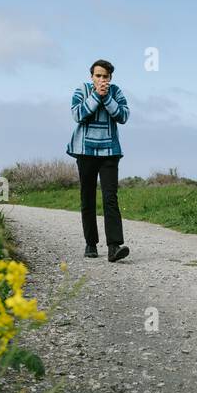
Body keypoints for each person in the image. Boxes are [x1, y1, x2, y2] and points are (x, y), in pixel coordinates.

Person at [66, 59, 130, 262]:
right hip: (85, 151)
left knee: (110, 198)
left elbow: (123, 116)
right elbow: (77, 115)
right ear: (91, 76)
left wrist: (107, 98)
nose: (101, 79)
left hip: (110, 152)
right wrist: (96, 96)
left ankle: (114, 247)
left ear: (110, 78)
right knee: (88, 197)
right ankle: (90, 243)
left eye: (105, 76)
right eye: (98, 76)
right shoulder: (81, 89)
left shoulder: (116, 91)